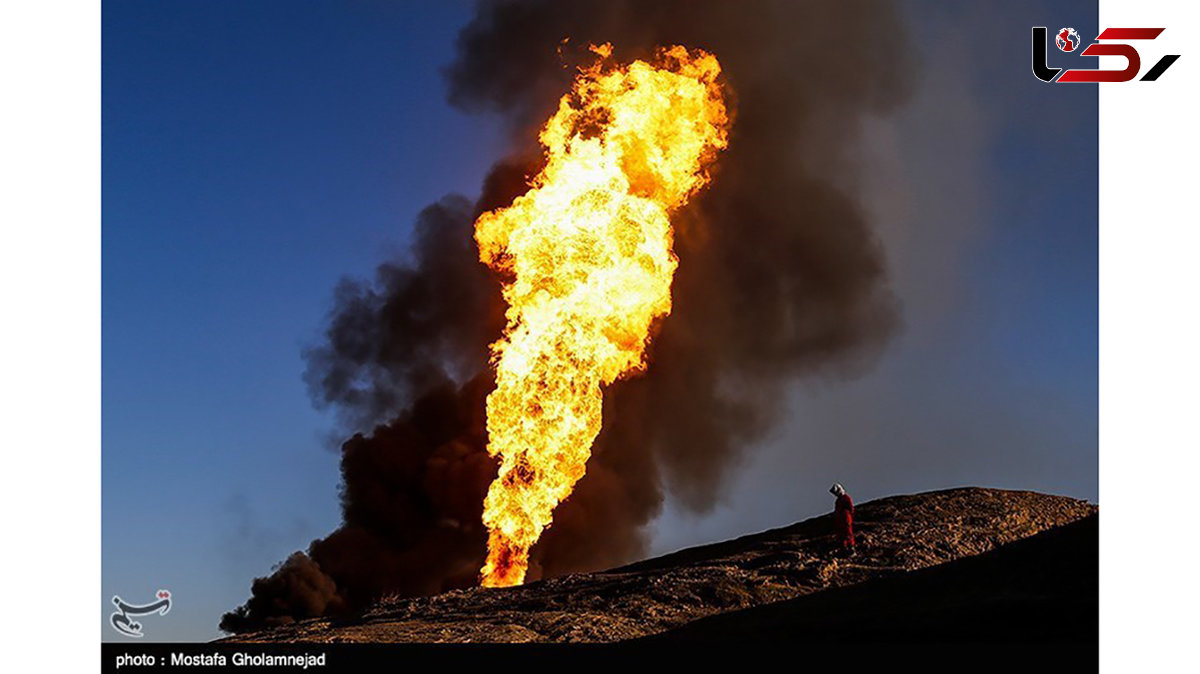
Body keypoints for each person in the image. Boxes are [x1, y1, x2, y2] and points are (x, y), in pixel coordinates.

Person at [830, 483, 855, 555]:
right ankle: (844, 548)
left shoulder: (846, 498)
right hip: (841, 520)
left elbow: (851, 509)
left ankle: (850, 547)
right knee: (841, 534)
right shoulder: (839, 500)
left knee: (847, 533)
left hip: (845, 519)